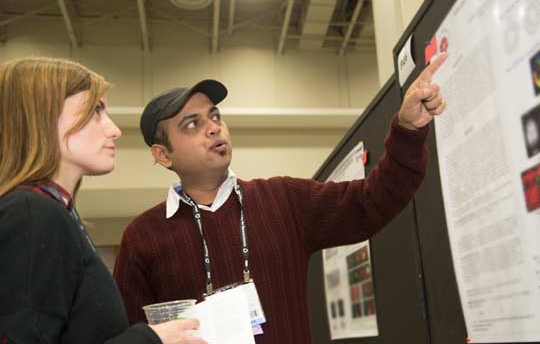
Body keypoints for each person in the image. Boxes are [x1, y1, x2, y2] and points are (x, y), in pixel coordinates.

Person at [114, 53, 448, 343]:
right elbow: (130, 335)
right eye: (191, 124)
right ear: (163, 154)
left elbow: (373, 201)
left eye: (215, 116)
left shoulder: (283, 200)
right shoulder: (143, 238)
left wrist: (408, 130)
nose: (214, 128)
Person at [0, 57, 206, 344]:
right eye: (95, 110)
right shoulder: (33, 214)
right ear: (42, 116)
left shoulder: (53, 215)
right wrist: (149, 340)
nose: (114, 130)